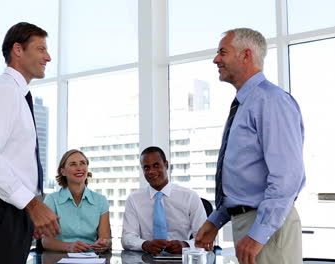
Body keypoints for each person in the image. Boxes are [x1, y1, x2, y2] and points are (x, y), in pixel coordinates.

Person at [195, 28, 305, 264]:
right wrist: (216, 219)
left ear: (246, 55)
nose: (215, 59)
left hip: (268, 229)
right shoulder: (246, 104)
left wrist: (258, 233)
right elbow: (245, 179)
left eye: (222, 52)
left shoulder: (271, 100)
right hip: (249, 224)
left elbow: (287, 177)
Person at [0, 22, 60, 264]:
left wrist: (28, 211)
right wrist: (32, 205)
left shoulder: (17, 95)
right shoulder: (5, 91)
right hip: (0, 213)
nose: (48, 57)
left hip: (13, 211)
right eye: (41, 49)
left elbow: (16, 161)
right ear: (18, 50)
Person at [122, 146, 206, 255]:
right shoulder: (133, 199)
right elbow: (127, 238)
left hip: (181, 258)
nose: (151, 171)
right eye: (146, 168)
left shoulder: (190, 197)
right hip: (146, 259)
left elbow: (204, 238)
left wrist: (185, 245)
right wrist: (146, 244)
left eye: (156, 165)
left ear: (166, 165)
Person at [43, 149, 112, 253]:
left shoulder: (101, 200)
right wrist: (69, 246)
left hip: (91, 258)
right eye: (73, 164)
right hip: (60, 257)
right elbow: (46, 241)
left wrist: (105, 243)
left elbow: (106, 238)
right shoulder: (52, 200)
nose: (79, 168)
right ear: (63, 171)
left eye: (82, 163)